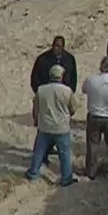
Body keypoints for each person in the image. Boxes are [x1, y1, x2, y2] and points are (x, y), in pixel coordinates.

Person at [29, 36, 77, 166]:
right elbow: (34, 79)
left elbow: (73, 80)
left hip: (62, 98)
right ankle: (42, 157)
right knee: (45, 129)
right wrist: (41, 94)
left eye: (59, 46)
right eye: (54, 45)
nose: (56, 48)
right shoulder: (43, 59)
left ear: (63, 47)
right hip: (46, 98)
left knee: (58, 130)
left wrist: (68, 96)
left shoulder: (69, 59)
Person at [26, 65, 78, 186]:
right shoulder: (67, 91)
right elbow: (73, 108)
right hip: (61, 128)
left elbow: (35, 108)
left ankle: (33, 172)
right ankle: (66, 178)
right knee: (64, 154)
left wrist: (35, 120)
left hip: (45, 126)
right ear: (61, 76)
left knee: (39, 151)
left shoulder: (41, 90)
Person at [82, 55, 108, 179]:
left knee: (93, 144)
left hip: (95, 115)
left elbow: (84, 90)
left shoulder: (91, 80)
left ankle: (91, 171)